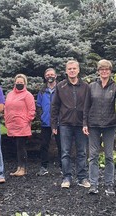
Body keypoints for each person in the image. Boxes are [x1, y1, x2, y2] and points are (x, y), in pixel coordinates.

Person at [83, 59, 116, 195]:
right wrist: (84, 124)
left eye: (107, 69)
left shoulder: (114, 86)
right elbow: (86, 106)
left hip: (109, 125)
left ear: (110, 72)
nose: (104, 71)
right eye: (102, 69)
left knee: (109, 156)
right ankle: (93, 185)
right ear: (98, 71)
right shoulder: (91, 86)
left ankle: (109, 185)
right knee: (93, 155)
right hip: (93, 124)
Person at [51, 60, 90, 189]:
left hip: (81, 124)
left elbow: (88, 106)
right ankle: (66, 177)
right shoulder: (60, 86)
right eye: (69, 69)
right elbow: (55, 106)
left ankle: (82, 178)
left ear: (78, 70)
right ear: (66, 71)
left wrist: (86, 122)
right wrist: (54, 125)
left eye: (74, 68)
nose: (72, 71)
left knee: (82, 152)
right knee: (65, 152)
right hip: (65, 124)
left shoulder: (85, 87)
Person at [4, 74, 36, 176]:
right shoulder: (10, 94)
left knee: (21, 147)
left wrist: (26, 121)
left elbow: (32, 110)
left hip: (22, 126)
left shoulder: (28, 95)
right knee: (17, 147)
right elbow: (6, 108)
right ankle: (19, 168)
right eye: (17, 82)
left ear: (25, 83)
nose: (19, 84)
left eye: (21, 83)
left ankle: (23, 168)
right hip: (12, 125)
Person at [37, 68, 61, 176]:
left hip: (59, 122)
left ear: (55, 76)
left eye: (52, 74)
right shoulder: (42, 91)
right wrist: (41, 116)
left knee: (61, 145)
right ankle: (44, 167)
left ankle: (62, 167)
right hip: (45, 122)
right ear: (45, 77)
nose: (50, 76)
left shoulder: (61, 89)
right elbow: (38, 106)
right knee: (44, 145)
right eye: (47, 75)